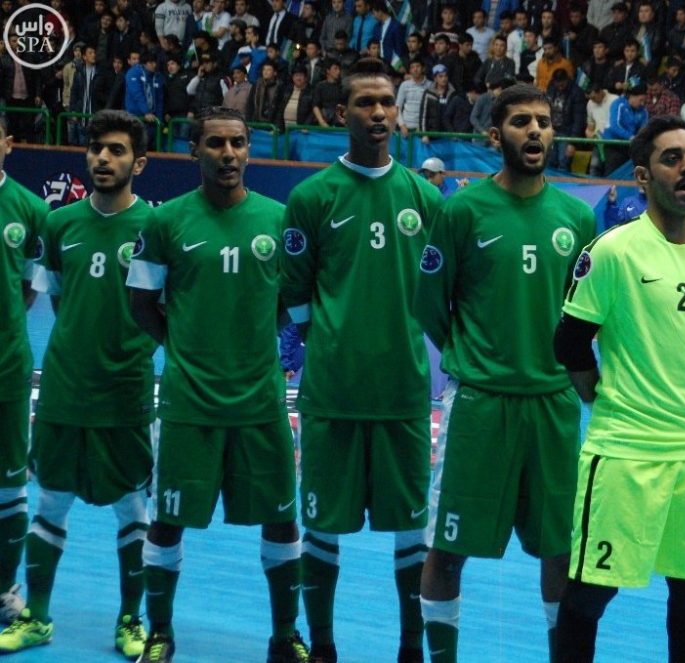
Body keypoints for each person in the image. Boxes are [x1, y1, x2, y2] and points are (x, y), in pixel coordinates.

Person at [414, 83, 597, 663]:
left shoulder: (577, 217)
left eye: (544, 120)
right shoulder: (461, 211)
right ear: (496, 136)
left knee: (561, 551)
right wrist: (475, 356)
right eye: (521, 121)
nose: (535, 130)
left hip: (553, 405)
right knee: (448, 549)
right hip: (480, 405)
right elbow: (429, 303)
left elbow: (587, 315)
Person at [553, 114, 685, 663]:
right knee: (590, 595)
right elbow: (569, 342)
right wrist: (600, 399)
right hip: (624, 453)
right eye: (672, 158)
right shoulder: (613, 251)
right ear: (642, 176)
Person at [126, 106, 307, 663]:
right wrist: (184, 350)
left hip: (260, 403)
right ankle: (160, 633)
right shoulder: (164, 222)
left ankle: (285, 636)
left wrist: (255, 341)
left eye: (238, 143)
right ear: (194, 151)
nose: (228, 153)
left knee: (282, 520)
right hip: (189, 404)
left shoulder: (279, 219)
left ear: (249, 150)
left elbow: (289, 302)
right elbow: (141, 304)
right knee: (167, 521)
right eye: (215, 144)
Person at [279, 58, 443, 663]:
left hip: (404, 394)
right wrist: (331, 341)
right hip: (334, 394)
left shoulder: (426, 199)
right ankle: (323, 647)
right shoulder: (311, 197)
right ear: (340, 113)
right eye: (364, 103)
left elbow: (442, 293)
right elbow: (295, 291)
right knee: (322, 527)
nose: (378, 113)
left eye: (386, 103)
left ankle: (409, 650)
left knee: (412, 532)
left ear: (398, 113)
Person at [0, 110, 154, 659]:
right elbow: (59, 300)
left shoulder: (157, 227)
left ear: (139, 162)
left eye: (116, 150)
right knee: (51, 502)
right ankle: (37, 617)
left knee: (132, 509)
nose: (103, 158)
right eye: (95, 149)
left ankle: (131, 620)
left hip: (126, 392)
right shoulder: (59, 224)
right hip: (65, 390)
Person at [0, 116, 48, 628]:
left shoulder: (32, 210)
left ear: (8, 144)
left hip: (7, 366)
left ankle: (2, 587)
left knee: (9, 483)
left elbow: (28, 291)